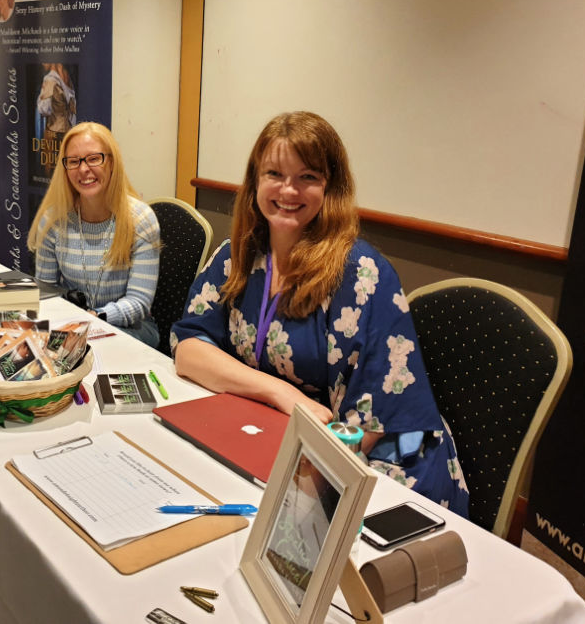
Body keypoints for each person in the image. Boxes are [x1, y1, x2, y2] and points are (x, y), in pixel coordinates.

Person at [171, 111, 469, 515]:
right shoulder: (238, 254)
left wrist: (291, 476)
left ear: (331, 187)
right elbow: (190, 349)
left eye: (308, 177)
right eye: (274, 173)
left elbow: (368, 428)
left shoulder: (364, 277)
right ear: (255, 180)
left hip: (383, 470)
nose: (288, 190)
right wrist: (282, 393)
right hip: (280, 437)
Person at [28, 122, 162, 348]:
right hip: (72, 325)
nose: (83, 169)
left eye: (93, 158)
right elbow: (47, 293)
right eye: (73, 161)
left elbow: (139, 303)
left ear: (111, 162)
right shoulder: (53, 220)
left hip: (130, 330)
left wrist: (94, 316)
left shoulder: (141, 220)